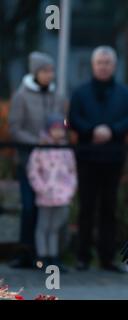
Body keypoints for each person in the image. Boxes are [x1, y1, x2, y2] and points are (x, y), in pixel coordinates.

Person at [68, 46, 128, 272]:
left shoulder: (125, 93)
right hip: (87, 157)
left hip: (113, 158)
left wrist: (112, 130)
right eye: (100, 62)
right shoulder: (80, 93)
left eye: (107, 62)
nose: (103, 66)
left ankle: (107, 258)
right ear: (93, 65)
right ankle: (82, 257)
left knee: (109, 208)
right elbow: (73, 119)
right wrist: (92, 131)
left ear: (114, 65)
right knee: (86, 208)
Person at [8, 52, 65, 268]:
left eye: (51, 70)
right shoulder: (21, 96)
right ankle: (26, 252)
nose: (49, 75)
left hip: (54, 165)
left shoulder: (57, 97)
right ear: (35, 72)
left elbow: (62, 124)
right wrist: (37, 142)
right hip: (29, 161)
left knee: (50, 209)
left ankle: (47, 254)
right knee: (30, 206)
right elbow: (15, 128)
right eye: (45, 71)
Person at [27, 113, 77, 272]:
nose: (58, 132)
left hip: (62, 196)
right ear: (48, 130)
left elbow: (71, 172)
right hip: (45, 196)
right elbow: (33, 171)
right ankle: (42, 257)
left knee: (55, 228)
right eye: (54, 129)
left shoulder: (66, 150)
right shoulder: (40, 149)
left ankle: (53, 257)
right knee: (43, 227)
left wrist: (69, 191)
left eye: (60, 129)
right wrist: (42, 189)